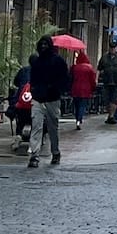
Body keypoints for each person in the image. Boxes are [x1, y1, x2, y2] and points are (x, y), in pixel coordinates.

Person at [27, 35, 69, 169]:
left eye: (46, 44)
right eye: (42, 44)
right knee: (36, 126)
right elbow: (33, 78)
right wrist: (34, 89)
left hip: (52, 98)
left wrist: (57, 89)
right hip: (38, 98)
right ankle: (34, 155)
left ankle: (55, 152)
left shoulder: (58, 61)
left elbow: (65, 79)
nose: (43, 47)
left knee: (52, 128)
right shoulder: (37, 62)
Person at [98, 38, 117, 125]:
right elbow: (99, 68)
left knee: (114, 99)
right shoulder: (105, 57)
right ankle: (109, 114)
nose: (112, 49)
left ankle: (111, 116)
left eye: (114, 47)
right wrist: (97, 78)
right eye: (111, 47)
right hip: (107, 81)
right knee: (106, 99)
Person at [69, 51, 97, 130]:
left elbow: (71, 78)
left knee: (76, 106)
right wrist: (93, 88)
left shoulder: (74, 68)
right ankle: (79, 120)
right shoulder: (89, 68)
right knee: (82, 105)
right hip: (86, 89)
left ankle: (77, 119)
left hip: (75, 89)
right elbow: (92, 80)